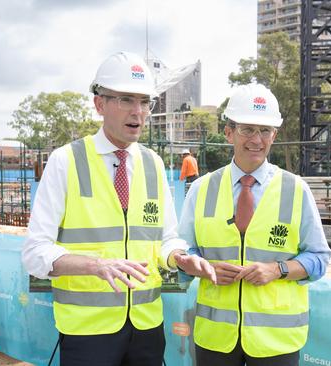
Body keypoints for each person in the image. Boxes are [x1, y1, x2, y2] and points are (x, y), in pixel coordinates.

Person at [22, 51, 215, 366]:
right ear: (100, 104)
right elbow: (34, 253)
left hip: (146, 327)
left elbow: (167, 237)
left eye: (145, 102)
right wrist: (95, 266)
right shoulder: (65, 161)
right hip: (87, 331)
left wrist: (179, 257)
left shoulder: (153, 163)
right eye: (126, 100)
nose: (138, 112)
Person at [177, 84, 331, 366]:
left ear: (274, 135)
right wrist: (203, 267)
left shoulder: (296, 189)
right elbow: (182, 252)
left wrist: (277, 270)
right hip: (216, 339)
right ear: (229, 132)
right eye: (248, 129)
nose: (257, 140)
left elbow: (319, 259)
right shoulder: (201, 189)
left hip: (276, 342)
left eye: (265, 130)